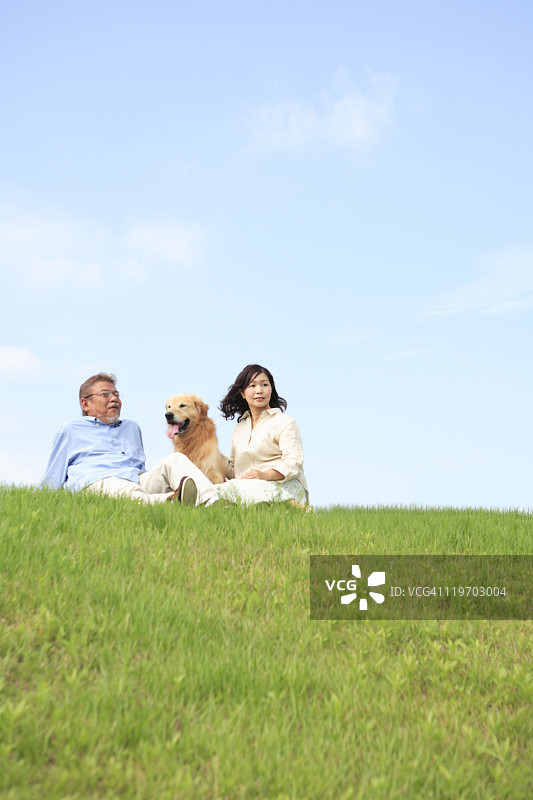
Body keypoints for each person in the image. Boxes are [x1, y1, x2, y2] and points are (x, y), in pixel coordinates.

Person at [43, 372, 217, 506]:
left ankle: (214, 502)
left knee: (175, 459)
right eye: (105, 394)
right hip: (98, 481)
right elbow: (52, 479)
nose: (114, 399)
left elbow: (139, 467)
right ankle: (171, 501)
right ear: (85, 404)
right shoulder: (70, 429)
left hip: (135, 481)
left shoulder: (131, 427)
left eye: (116, 394)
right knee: (114, 485)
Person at [217, 364, 309, 507]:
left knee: (220, 492)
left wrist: (264, 475)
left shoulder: (284, 422)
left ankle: (292, 504)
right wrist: (209, 449)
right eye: (252, 386)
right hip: (246, 488)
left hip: (284, 486)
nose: (259, 390)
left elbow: (293, 462)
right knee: (214, 491)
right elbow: (235, 472)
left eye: (264, 385)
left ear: (271, 389)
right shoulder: (239, 429)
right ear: (243, 393)